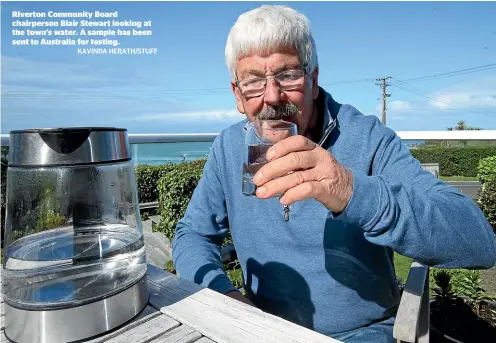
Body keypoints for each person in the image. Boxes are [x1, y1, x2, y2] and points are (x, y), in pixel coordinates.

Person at [171, 5, 496, 342]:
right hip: (257, 330)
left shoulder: (368, 139)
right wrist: (224, 296)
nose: (272, 97)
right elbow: (192, 235)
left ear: (312, 80)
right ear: (238, 95)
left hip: (359, 333)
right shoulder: (229, 147)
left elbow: (478, 243)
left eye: (287, 75)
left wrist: (351, 190)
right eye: (253, 82)